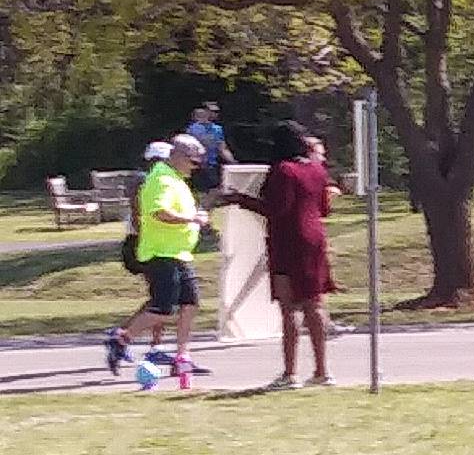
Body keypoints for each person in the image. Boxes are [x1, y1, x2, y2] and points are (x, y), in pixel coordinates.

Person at [220, 121, 338, 387]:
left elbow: (276, 209)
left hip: (288, 241)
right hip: (315, 239)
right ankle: (322, 371)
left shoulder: (282, 171)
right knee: (314, 304)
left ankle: (290, 373)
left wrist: (239, 199)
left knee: (289, 309)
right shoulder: (317, 170)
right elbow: (325, 209)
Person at [106, 134, 209, 385]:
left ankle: (182, 356)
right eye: (192, 163)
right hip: (161, 253)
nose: (195, 168)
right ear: (177, 156)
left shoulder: (176, 179)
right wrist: (192, 219)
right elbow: (159, 213)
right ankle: (121, 337)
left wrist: (195, 215)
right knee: (164, 307)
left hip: (179, 253)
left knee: (190, 303)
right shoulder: (161, 179)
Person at [184, 102, 234, 193]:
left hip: (211, 167)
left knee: (213, 192)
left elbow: (222, 149)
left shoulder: (217, 129)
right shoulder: (192, 129)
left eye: (216, 112)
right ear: (205, 111)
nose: (215, 114)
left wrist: (233, 163)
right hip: (196, 167)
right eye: (212, 111)